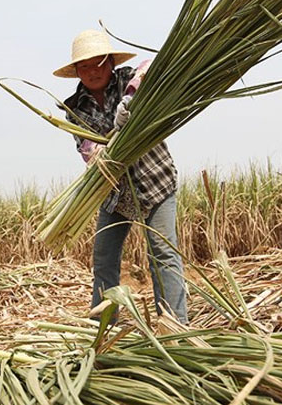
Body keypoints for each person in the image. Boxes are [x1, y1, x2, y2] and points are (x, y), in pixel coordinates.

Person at [53, 29, 188, 323]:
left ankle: (174, 326)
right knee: (103, 260)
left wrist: (130, 100)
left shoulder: (129, 79)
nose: (92, 71)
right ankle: (102, 327)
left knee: (163, 255)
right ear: (76, 72)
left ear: (111, 62)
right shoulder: (75, 108)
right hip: (112, 193)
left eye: (98, 62)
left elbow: (153, 64)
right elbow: (85, 147)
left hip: (154, 182)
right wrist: (98, 153)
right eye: (84, 66)